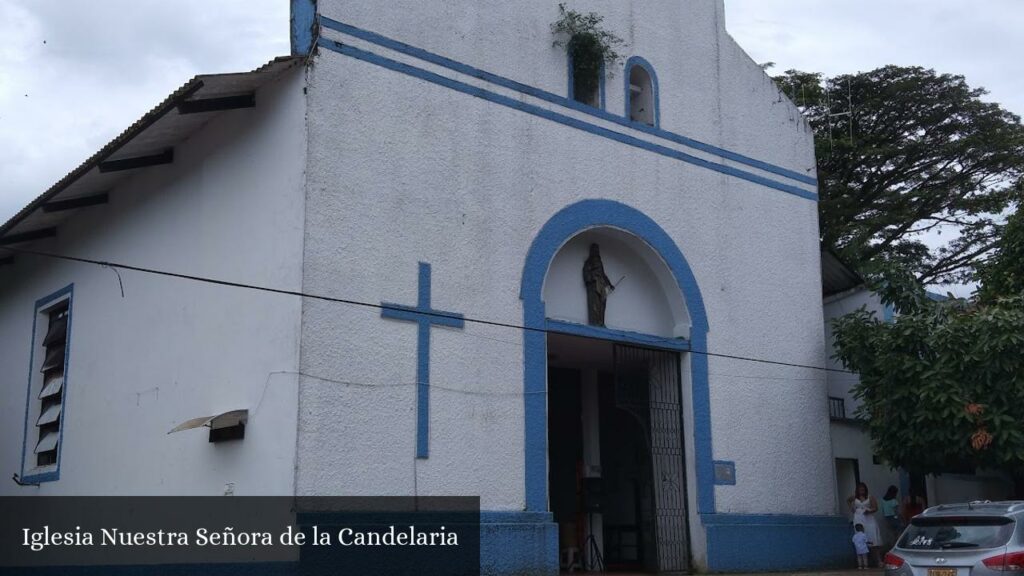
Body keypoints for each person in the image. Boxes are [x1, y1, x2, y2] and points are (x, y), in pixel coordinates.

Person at [847, 482, 881, 567]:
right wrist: (852, 509)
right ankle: (862, 562)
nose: (861, 490)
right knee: (860, 539)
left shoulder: (870, 497)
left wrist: (869, 510)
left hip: (868, 518)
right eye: (860, 489)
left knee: (873, 539)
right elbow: (848, 500)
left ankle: (878, 561)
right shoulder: (854, 497)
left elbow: (876, 508)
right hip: (859, 518)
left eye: (863, 489)